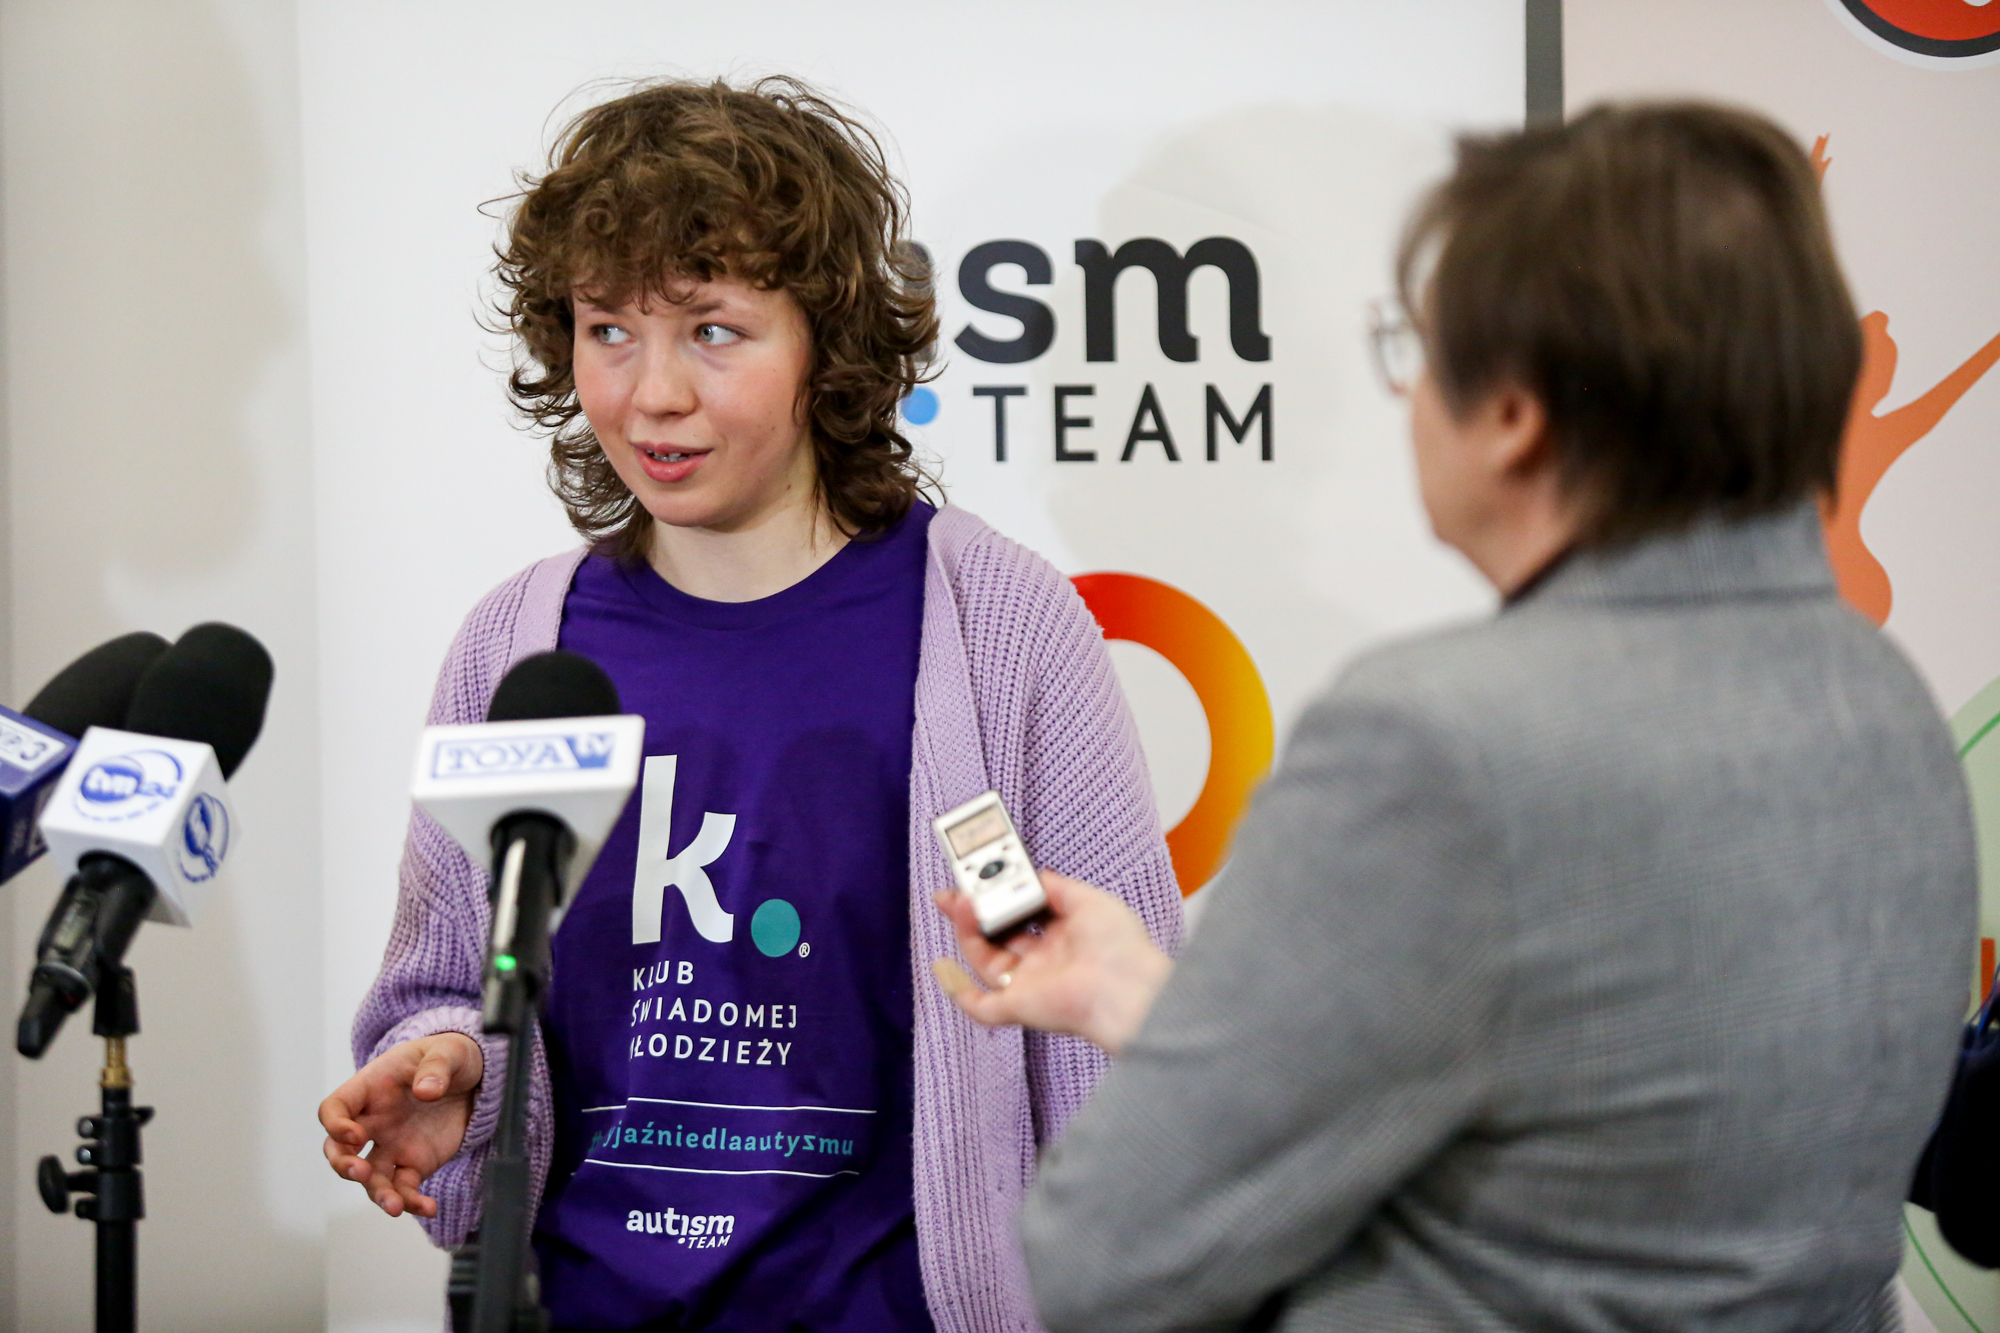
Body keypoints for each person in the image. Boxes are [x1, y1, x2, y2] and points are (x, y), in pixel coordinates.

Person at [932, 103, 1977, 1332]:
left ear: (1514, 414)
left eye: (1416, 346)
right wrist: (1173, 1019)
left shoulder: (1433, 742)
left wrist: (1194, 1086)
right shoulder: (1882, 701)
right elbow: (1604, 1136)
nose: (1405, 395)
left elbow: (1110, 1250)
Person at [318, 77, 1181, 1333]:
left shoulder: (993, 630)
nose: (651, 393)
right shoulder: (519, 646)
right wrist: (451, 1070)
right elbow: (451, 983)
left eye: (712, 330)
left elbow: (1103, 1031)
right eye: (608, 329)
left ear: (825, 341)